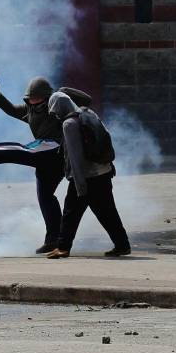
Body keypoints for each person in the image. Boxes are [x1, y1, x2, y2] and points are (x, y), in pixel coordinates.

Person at [0, 76, 91, 254]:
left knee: (16, 150)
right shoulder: (30, 110)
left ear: (47, 96)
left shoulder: (56, 106)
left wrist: (64, 92)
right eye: (31, 98)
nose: (34, 102)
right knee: (45, 197)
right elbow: (11, 109)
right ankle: (54, 239)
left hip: (56, 151)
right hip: (45, 160)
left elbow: (85, 101)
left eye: (38, 98)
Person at [45, 91, 130, 259]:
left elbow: (75, 158)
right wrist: (109, 165)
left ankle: (63, 248)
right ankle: (122, 245)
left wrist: (80, 185)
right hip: (103, 172)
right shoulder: (87, 113)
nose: (54, 114)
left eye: (54, 110)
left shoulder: (69, 124)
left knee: (70, 213)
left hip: (85, 177)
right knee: (108, 213)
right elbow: (106, 136)